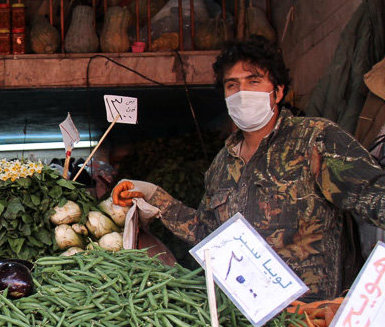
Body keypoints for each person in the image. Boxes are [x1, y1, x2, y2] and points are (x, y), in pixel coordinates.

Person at [113, 35, 385, 302]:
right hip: (245, 319)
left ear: (277, 91)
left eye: (253, 81)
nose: (242, 92)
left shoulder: (316, 139)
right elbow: (208, 233)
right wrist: (152, 195)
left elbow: (375, 197)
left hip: (311, 320)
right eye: (232, 85)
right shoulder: (222, 164)